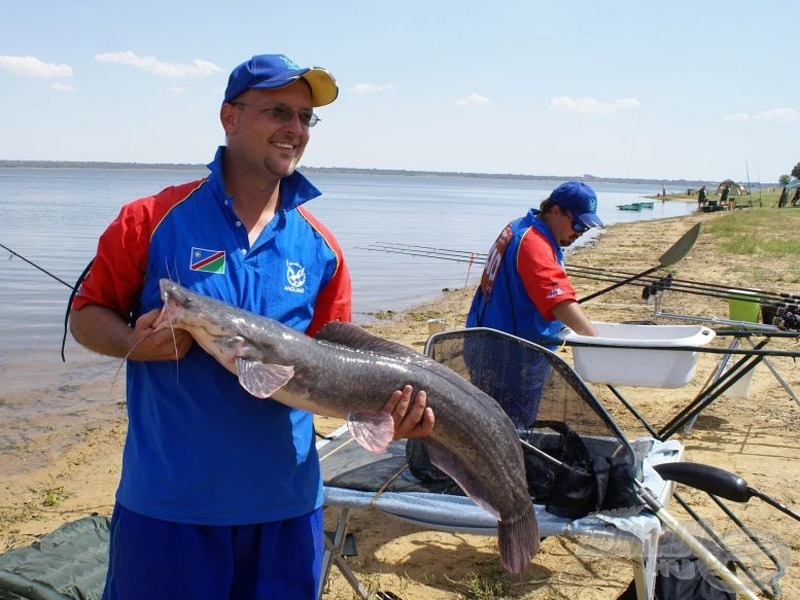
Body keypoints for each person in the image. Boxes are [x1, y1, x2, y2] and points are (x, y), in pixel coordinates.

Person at [69, 53, 434, 599]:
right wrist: (132, 344)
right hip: (169, 506)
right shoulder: (149, 220)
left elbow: (344, 364)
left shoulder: (321, 247)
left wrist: (390, 415)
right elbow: (86, 315)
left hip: (287, 509)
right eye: (279, 112)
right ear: (229, 117)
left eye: (306, 118)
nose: (295, 129)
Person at [464, 181, 602, 427]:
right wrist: (598, 343)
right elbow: (560, 301)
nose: (580, 233)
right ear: (556, 211)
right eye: (578, 224)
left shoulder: (521, 225)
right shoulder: (533, 243)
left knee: (489, 425)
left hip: (488, 345)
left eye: (587, 228)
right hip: (510, 359)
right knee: (511, 431)